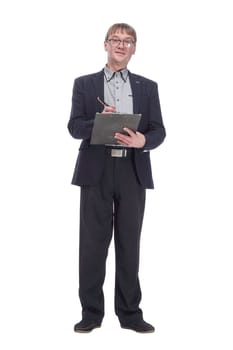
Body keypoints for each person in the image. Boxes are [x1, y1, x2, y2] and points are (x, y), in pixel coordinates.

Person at [68, 23, 166, 333]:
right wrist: (98, 123)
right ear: (106, 45)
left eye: (128, 41)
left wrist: (143, 141)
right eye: (116, 40)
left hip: (132, 171)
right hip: (95, 171)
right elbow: (73, 127)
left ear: (134, 48)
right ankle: (91, 313)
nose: (121, 45)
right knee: (92, 245)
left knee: (129, 244)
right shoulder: (84, 84)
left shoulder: (148, 87)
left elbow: (159, 130)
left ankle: (130, 314)